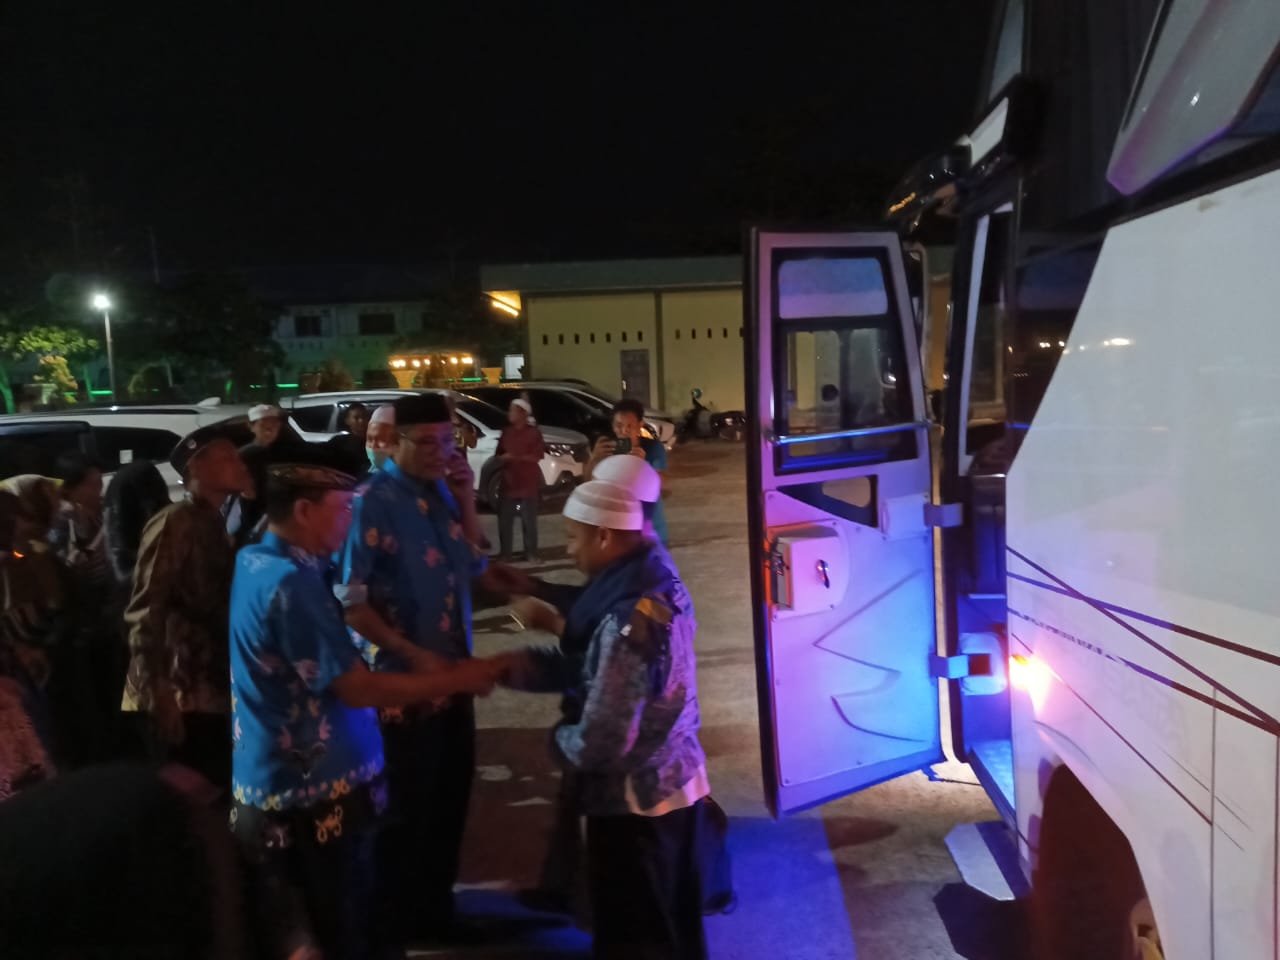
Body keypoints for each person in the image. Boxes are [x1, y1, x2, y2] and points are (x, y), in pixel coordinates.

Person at [230, 448, 503, 960]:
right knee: (344, 928)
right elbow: (356, 688)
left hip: (278, 781)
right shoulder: (289, 583)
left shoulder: (257, 558)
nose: (349, 522)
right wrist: (456, 677)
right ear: (304, 511)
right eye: (342, 510)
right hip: (313, 793)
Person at [501, 480, 709, 959]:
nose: (568, 550)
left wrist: (560, 740)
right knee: (673, 925)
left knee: (636, 934)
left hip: (635, 802)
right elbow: (602, 669)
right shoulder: (653, 581)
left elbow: (604, 739)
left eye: (573, 537)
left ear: (604, 536)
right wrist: (528, 668)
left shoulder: (625, 619)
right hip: (675, 782)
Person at [337, 392, 490, 944]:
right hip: (401, 690)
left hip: (453, 677)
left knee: (449, 802)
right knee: (405, 814)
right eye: (426, 442)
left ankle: (436, 916)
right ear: (394, 442)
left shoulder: (439, 492)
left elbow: (474, 563)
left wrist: (465, 496)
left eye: (448, 441)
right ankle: (397, 929)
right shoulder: (369, 502)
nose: (439, 452)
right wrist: (411, 652)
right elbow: (350, 600)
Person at [121, 425, 252, 791]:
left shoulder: (213, 520)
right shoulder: (175, 521)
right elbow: (146, 608)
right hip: (178, 690)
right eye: (227, 457)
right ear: (197, 467)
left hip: (205, 687)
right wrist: (158, 690)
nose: (240, 463)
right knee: (189, 793)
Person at [46, 452, 115, 765]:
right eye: (91, 484)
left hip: (99, 611)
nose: (98, 491)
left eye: (100, 483)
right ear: (71, 487)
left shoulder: (95, 513)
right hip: (82, 616)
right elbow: (62, 564)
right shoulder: (64, 518)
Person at [586, 398, 669, 543]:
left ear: (640, 425)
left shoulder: (652, 448)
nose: (624, 431)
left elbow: (662, 486)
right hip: (618, 528)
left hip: (649, 526)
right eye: (619, 425)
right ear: (612, 426)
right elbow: (587, 484)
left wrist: (643, 465)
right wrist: (594, 459)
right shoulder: (606, 449)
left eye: (630, 426)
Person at [234, 403, 294, 545]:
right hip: (250, 515)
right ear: (251, 426)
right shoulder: (244, 455)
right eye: (263, 425)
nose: (270, 430)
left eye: (274, 425)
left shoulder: (284, 454)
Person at [496, 397, 545, 562]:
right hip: (508, 483)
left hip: (527, 484)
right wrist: (503, 458)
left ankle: (531, 553)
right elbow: (499, 454)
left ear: (522, 413)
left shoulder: (534, 433)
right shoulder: (506, 432)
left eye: (512, 410)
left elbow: (537, 456)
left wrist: (515, 457)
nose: (509, 413)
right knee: (505, 521)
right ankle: (505, 554)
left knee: (529, 521)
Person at [326, 401, 371, 474]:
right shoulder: (338, 442)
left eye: (364, 417)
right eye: (356, 418)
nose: (361, 421)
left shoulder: (376, 441)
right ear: (347, 421)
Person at [364, 403, 398, 474]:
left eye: (381, 439)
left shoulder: (410, 476)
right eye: (369, 439)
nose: (373, 446)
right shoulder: (364, 473)